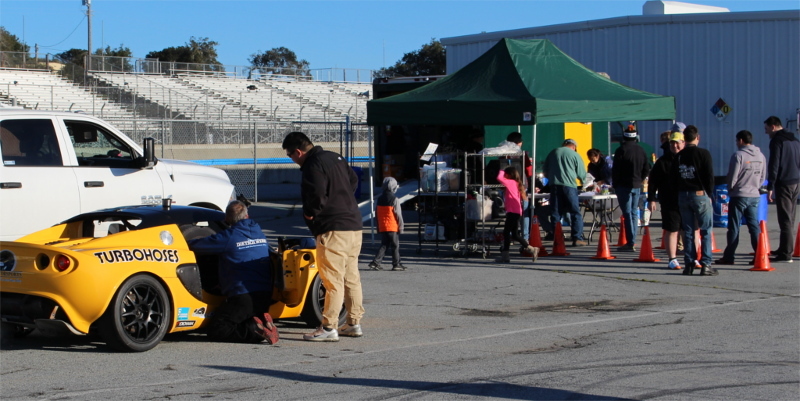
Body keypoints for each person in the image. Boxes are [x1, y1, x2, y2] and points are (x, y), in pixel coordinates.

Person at [282, 131, 365, 342]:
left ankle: (328, 327)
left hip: (332, 228)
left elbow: (316, 194)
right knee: (351, 278)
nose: (292, 160)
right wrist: (342, 198)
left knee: (332, 280)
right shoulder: (335, 157)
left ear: (298, 151)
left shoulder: (312, 165)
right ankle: (353, 323)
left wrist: (311, 213)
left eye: (290, 155)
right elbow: (353, 180)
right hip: (353, 225)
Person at [187, 200, 279, 344]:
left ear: (227, 219)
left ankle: (257, 331)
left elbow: (196, 245)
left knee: (218, 330)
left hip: (243, 296)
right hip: (266, 294)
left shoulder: (228, 237)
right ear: (247, 216)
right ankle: (262, 321)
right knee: (240, 318)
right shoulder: (258, 231)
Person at [715, 130, 767, 265]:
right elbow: (762, 176)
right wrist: (756, 186)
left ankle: (729, 256)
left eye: (737, 141)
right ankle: (759, 254)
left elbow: (733, 176)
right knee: (754, 226)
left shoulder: (738, 155)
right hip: (754, 195)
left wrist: (730, 188)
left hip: (739, 195)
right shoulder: (761, 155)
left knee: (733, 227)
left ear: (741, 141)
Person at [673, 125, 717, 276]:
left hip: (683, 194)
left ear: (684, 139)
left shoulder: (679, 156)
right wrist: (709, 194)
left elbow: (674, 177)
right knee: (705, 230)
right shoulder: (703, 154)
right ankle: (706, 264)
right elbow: (709, 176)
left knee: (689, 231)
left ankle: (689, 263)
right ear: (697, 137)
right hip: (699, 193)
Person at [764, 116, 800, 263]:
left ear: (773, 126)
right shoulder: (795, 140)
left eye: (767, 129)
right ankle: (784, 247)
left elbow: (774, 164)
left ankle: (786, 254)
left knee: (784, 218)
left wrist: (770, 185)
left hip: (784, 182)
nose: (766, 132)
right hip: (795, 182)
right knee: (790, 217)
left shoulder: (777, 141)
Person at [648, 129, 685, 269]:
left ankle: (692, 257)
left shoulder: (688, 158)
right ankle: (672, 259)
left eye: (677, 143)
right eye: (672, 143)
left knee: (689, 230)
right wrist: (651, 199)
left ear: (683, 143)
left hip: (687, 199)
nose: (674, 146)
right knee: (672, 229)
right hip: (669, 200)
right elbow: (653, 181)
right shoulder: (663, 161)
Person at [612, 125, 651, 252]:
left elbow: (616, 170)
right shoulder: (641, 150)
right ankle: (632, 240)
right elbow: (647, 168)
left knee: (627, 213)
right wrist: (640, 179)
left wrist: (615, 184)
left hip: (623, 185)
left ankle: (630, 242)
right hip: (636, 185)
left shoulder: (621, 150)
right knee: (634, 213)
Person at [543, 138, 587, 247]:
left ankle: (557, 238)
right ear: (574, 147)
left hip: (555, 186)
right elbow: (581, 173)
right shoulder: (575, 155)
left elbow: (545, 171)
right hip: (570, 186)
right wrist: (583, 182)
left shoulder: (553, 152)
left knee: (556, 213)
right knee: (575, 212)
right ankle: (577, 238)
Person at [495, 166, 539, 262]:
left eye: (506, 174)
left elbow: (499, 178)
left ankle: (505, 256)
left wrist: (501, 168)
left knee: (506, 232)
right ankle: (532, 249)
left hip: (512, 212)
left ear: (509, 175)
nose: (504, 176)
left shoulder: (511, 182)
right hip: (515, 211)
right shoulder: (515, 183)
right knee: (514, 234)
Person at [368, 177, 406, 271]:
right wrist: (401, 227)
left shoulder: (380, 198)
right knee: (395, 245)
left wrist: (378, 226)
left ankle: (376, 262)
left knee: (384, 244)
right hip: (392, 226)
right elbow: (398, 214)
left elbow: (377, 213)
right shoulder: (394, 199)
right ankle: (396, 264)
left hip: (383, 225)